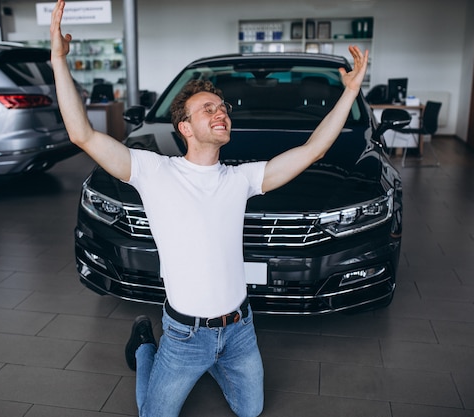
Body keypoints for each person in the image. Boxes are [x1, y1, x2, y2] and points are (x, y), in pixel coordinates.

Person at [50, 1, 369, 416]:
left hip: (240, 330)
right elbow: (82, 134)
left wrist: (350, 92)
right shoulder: (152, 170)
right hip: (184, 336)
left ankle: (214, 365)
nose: (221, 113)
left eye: (222, 109)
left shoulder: (240, 179)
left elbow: (313, 149)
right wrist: (59, 60)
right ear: (184, 127)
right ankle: (147, 347)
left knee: (250, 411)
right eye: (208, 109)